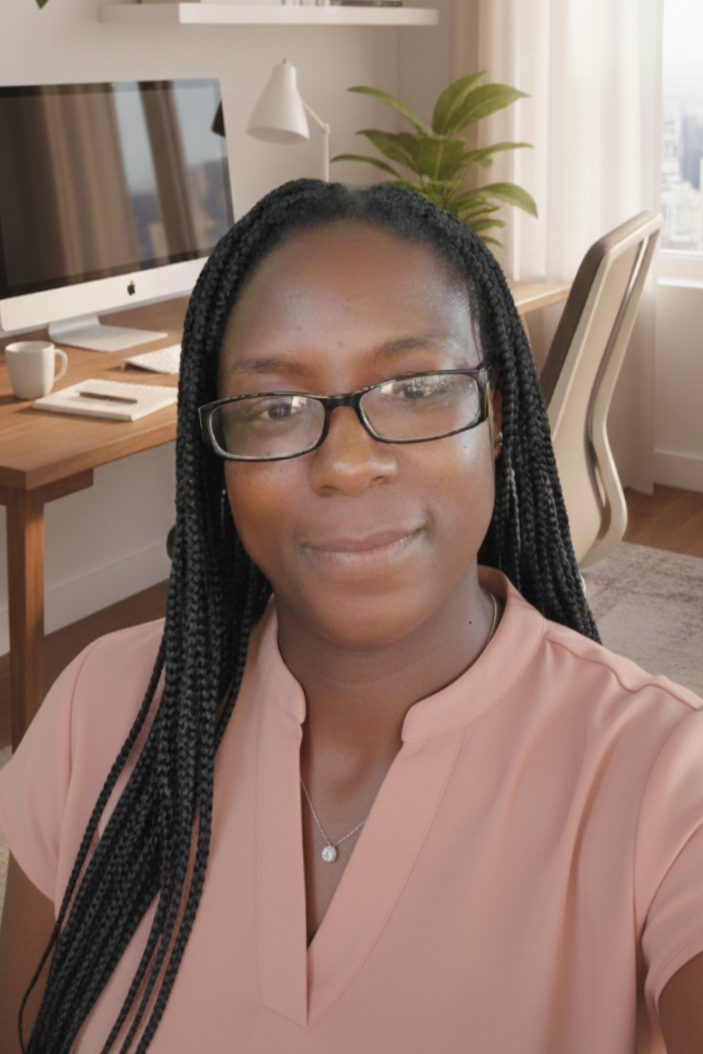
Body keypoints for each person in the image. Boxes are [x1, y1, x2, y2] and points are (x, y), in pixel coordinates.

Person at [0, 180, 702, 1054]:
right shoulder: (93, 717)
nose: (347, 464)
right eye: (275, 407)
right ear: (217, 459)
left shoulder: (669, 785)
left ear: (498, 416)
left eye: (415, 387)